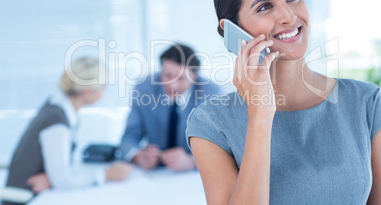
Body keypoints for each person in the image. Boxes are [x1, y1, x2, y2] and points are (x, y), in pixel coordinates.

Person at [186, 0, 381, 204]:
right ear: (232, 30)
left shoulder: (366, 103)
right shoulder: (212, 123)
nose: (288, 16)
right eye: (265, 6)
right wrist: (260, 115)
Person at [3, 57, 133, 205]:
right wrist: (107, 174)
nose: (104, 92)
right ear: (88, 92)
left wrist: (52, 178)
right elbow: (62, 180)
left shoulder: (57, 104)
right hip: (27, 199)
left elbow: (58, 170)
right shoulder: (57, 121)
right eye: (104, 87)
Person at [119, 43, 222, 171]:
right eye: (167, 75)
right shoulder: (144, 87)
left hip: (193, 177)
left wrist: (192, 161)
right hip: (153, 173)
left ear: (195, 76)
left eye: (181, 78)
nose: (172, 85)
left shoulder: (212, 94)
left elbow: (221, 148)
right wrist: (136, 155)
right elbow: (129, 137)